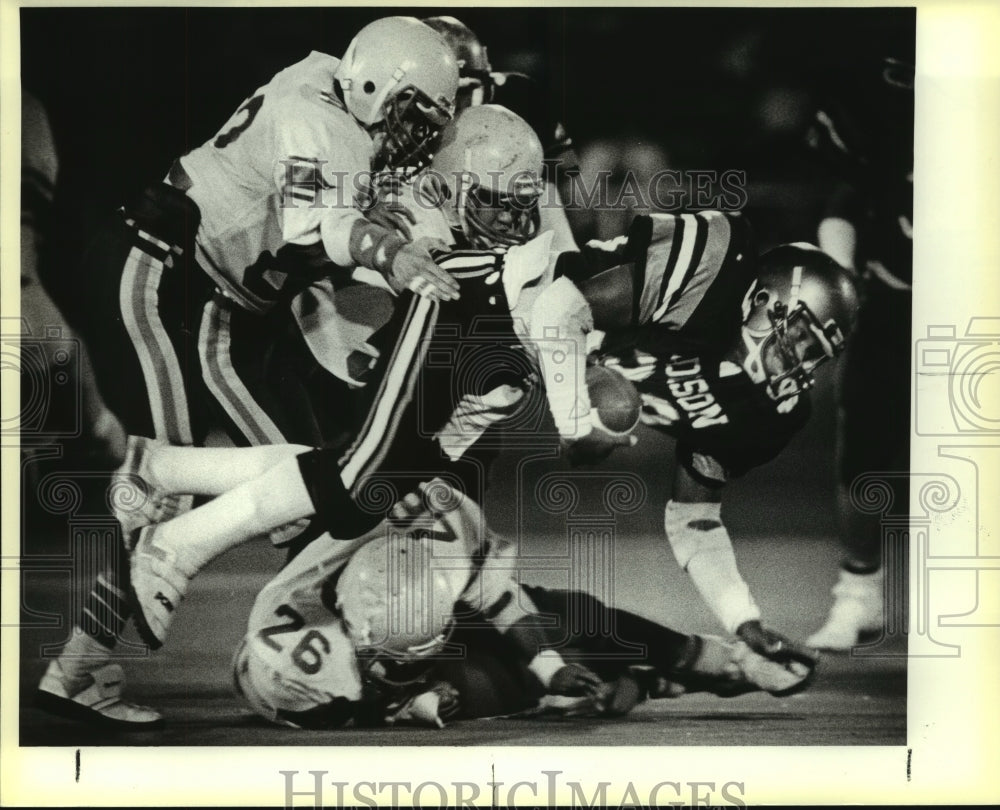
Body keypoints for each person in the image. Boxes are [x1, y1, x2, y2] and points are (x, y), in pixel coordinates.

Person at [35, 16, 461, 729]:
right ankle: (74, 672)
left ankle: (348, 666)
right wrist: (393, 253)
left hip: (219, 305)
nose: (414, 135)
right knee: (166, 496)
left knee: (307, 487)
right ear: (372, 84)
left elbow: (319, 232)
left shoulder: (326, 89)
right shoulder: (316, 118)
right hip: (161, 273)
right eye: (411, 112)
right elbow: (319, 231)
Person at [803, 56, 914, 650]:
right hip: (895, 300)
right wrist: (841, 277)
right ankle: (858, 594)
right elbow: (844, 199)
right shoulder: (891, 117)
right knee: (864, 451)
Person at [421, 15, 580, 253]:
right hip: (435, 211)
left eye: (460, 93)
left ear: (486, 80)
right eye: (442, 94)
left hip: (498, 207)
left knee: (540, 192)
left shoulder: (519, 97)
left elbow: (567, 172)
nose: (450, 106)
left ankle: (561, 262)